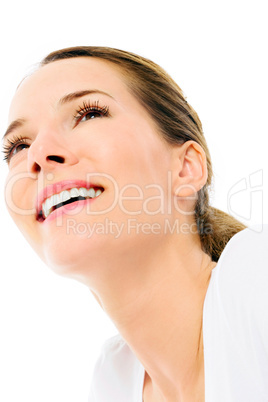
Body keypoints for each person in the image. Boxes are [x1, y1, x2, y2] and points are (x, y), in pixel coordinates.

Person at [3, 46, 268, 402]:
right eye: (18, 147)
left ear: (186, 168)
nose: (37, 155)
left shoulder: (255, 277)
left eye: (90, 113)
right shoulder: (113, 380)